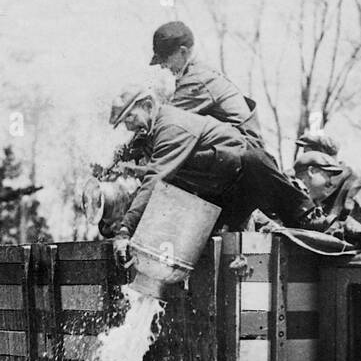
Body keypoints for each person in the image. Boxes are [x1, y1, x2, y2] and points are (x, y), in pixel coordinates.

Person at [108, 77, 324, 248]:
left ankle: (308, 216)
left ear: (147, 105)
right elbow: (140, 162)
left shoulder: (172, 127)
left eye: (130, 117)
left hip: (250, 176)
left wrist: (126, 229)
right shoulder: (151, 133)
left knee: (257, 164)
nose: (128, 127)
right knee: (213, 248)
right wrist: (114, 164)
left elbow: (154, 179)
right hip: (222, 195)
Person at [148, 20, 264, 146]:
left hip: (244, 150)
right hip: (240, 146)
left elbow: (164, 122)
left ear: (183, 52)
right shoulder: (199, 70)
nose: (163, 66)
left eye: (165, 59)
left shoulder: (196, 79)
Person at [292, 149, 361, 251]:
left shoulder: (314, 205)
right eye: (328, 176)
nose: (330, 183)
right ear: (311, 171)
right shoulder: (291, 195)